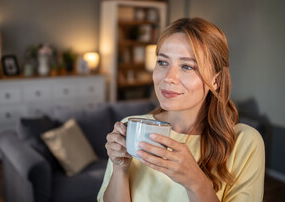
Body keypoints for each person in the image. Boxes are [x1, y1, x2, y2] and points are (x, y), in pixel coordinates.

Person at [97, 17, 265, 202]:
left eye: (187, 66)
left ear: (216, 81)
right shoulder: (131, 127)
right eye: (162, 62)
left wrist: (195, 181)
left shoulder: (245, 143)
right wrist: (120, 168)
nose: (169, 77)